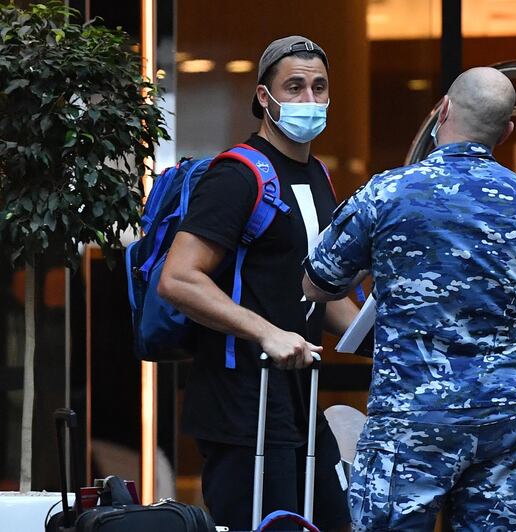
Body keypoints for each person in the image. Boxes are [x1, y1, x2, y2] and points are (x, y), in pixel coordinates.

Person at [302, 67, 516, 531]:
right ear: (507, 130)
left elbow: (317, 283)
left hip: (410, 416)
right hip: (503, 420)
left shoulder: (387, 192)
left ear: (443, 110)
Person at [158, 35, 356, 531]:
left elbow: (316, 290)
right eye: (294, 87)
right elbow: (179, 278)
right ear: (265, 99)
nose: (309, 101)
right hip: (244, 404)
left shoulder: (318, 177)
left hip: (299, 401)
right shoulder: (238, 175)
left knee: (336, 519)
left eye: (319, 88)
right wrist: (265, 331)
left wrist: (383, 336)